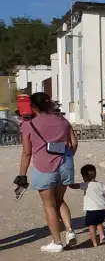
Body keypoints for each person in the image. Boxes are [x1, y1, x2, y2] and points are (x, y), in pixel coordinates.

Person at [14, 92, 79, 252]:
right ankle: (70, 230)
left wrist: (22, 175)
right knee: (60, 200)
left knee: (49, 205)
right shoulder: (62, 120)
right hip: (65, 165)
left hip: (44, 168)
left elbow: (26, 153)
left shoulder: (29, 125)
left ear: (33, 107)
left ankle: (56, 242)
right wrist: (68, 158)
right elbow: (74, 142)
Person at [69, 164, 105, 247]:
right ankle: (102, 236)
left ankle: (94, 243)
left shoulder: (86, 184)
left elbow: (73, 186)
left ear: (85, 177)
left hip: (92, 210)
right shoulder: (102, 184)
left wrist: (68, 181)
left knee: (91, 226)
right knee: (99, 223)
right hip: (102, 208)